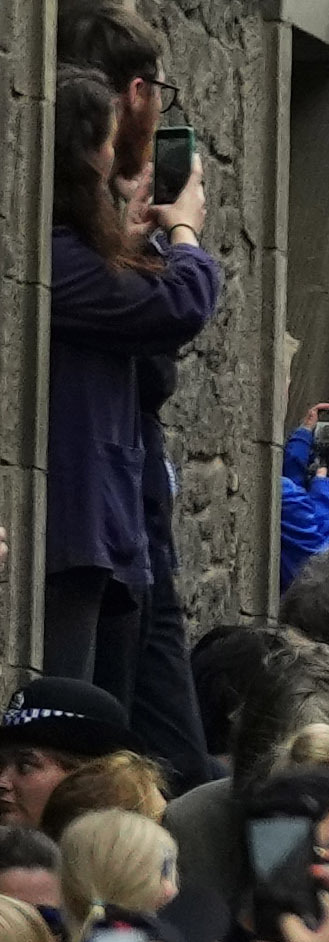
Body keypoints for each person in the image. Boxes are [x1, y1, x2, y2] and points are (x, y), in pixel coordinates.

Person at [46, 41, 217, 770]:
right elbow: (178, 303)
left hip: (111, 537)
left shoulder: (75, 259)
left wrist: (141, 235)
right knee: (75, 745)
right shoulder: (56, 261)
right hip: (83, 532)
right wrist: (184, 234)